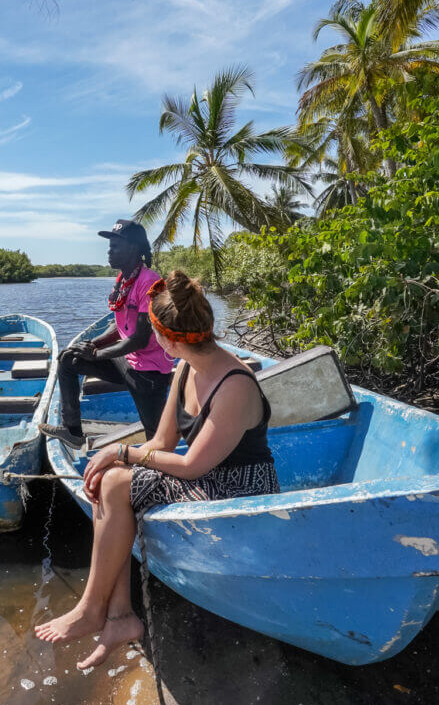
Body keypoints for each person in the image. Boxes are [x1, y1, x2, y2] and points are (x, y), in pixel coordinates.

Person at [33, 270, 280, 669]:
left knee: (116, 480)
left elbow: (190, 463)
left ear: (166, 336)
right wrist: (116, 457)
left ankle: (96, 611)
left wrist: (122, 454)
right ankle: (117, 617)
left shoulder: (234, 384)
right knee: (106, 481)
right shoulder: (184, 367)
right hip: (202, 474)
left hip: (239, 487)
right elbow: (161, 444)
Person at [39, 219, 174, 449]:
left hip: (148, 372)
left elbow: (140, 338)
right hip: (128, 362)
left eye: (114, 247)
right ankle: (72, 431)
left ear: (133, 248)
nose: (109, 252)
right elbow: (119, 325)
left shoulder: (152, 283)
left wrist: (97, 355)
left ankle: (165, 471)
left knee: (156, 437)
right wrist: (93, 344)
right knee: (68, 359)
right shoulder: (123, 279)